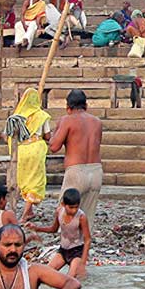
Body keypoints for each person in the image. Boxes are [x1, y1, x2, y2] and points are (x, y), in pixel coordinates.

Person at [48, 90, 104, 223]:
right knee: (87, 218)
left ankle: (68, 243)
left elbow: (54, 147)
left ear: (68, 107)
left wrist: (56, 129)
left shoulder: (67, 120)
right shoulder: (97, 122)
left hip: (76, 171)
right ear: (86, 105)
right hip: (96, 171)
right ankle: (84, 243)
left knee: (65, 216)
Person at [5, 88, 52, 222]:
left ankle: (29, 211)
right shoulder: (41, 115)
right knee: (35, 181)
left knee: (24, 180)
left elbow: (6, 135)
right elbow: (47, 135)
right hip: (36, 149)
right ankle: (25, 213)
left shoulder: (16, 116)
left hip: (20, 151)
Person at [27, 188, 91, 280]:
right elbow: (53, 229)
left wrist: (83, 263)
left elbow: (88, 239)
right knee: (44, 274)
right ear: (63, 205)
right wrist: (37, 228)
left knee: (70, 280)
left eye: (76, 207)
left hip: (77, 252)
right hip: (63, 251)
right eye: (71, 207)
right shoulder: (59, 212)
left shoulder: (81, 217)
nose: (74, 210)